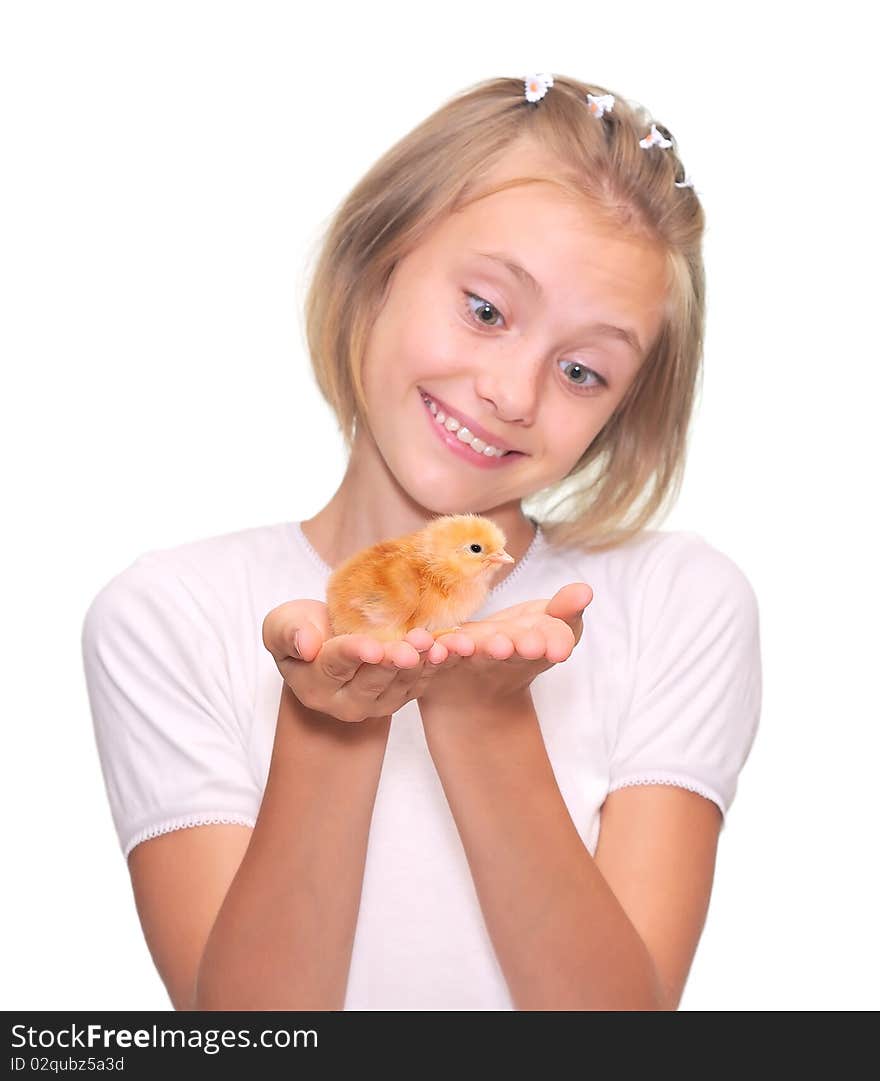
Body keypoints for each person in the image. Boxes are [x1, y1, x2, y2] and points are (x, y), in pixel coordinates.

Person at [81, 73, 761, 1011]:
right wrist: (333, 722)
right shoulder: (168, 613)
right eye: (486, 309)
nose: (514, 393)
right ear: (377, 265)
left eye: (581, 370)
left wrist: (485, 722)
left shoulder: (677, 601)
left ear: (622, 413)